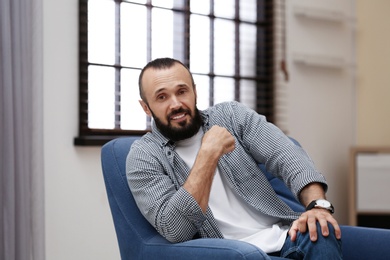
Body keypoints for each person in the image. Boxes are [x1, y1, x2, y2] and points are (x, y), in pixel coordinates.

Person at [126, 57, 342, 259]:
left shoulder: (231, 116)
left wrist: (318, 206)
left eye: (182, 91)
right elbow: (175, 229)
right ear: (146, 107)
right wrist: (207, 155)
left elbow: (287, 156)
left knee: (321, 231)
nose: (175, 104)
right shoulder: (143, 156)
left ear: (194, 92)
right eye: (161, 97)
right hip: (227, 252)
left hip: (284, 237)